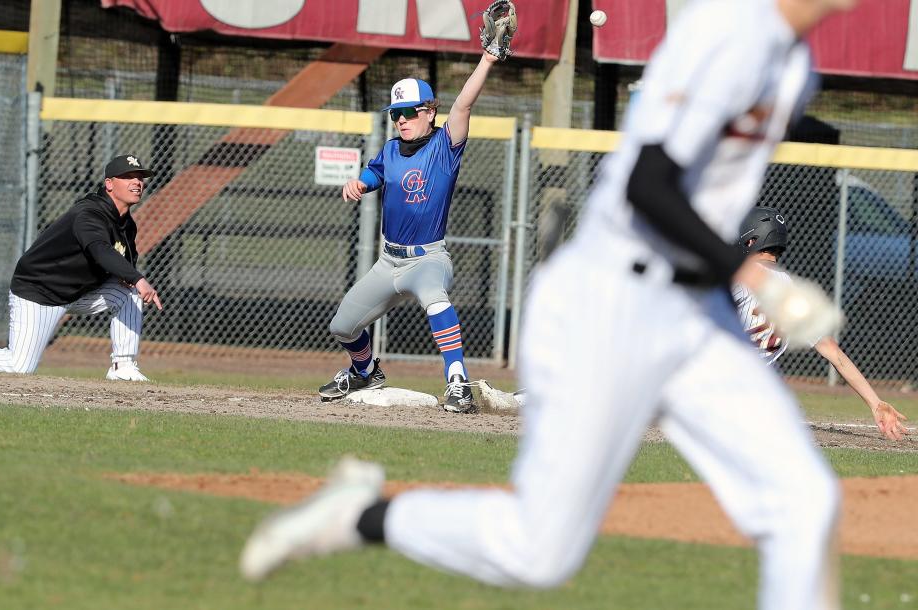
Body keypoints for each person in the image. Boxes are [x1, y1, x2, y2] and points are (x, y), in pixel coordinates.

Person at [240, 1, 857, 608]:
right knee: (539, 550)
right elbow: (648, 185)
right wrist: (760, 280)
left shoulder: (795, 65)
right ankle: (360, 516)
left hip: (694, 309)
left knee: (804, 501)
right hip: (614, 297)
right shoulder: (725, 39)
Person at [317, 52, 501, 413]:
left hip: (428, 259)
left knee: (436, 300)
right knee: (342, 326)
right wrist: (361, 183)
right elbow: (376, 172)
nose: (401, 120)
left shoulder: (444, 146)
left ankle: (458, 381)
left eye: (409, 112)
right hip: (389, 261)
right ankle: (365, 371)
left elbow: (463, 104)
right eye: (395, 114)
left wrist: (487, 60)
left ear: (429, 112)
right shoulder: (391, 149)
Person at [0, 154, 162, 381]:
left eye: (140, 177)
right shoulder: (89, 214)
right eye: (128, 177)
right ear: (109, 184)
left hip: (78, 294)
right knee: (19, 366)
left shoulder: (126, 224)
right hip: (39, 292)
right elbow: (99, 248)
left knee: (130, 290)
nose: (137, 182)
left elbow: (126, 260)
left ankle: (122, 366)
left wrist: (132, 278)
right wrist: (138, 278)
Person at [734, 206, 909, 440]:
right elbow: (835, 355)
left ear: (751, 240)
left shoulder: (743, 276)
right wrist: (875, 403)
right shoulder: (793, 292)